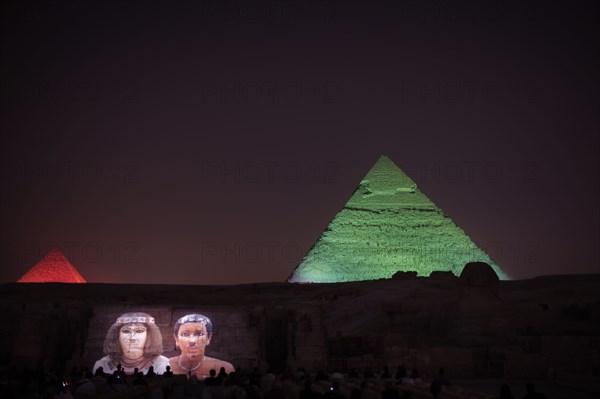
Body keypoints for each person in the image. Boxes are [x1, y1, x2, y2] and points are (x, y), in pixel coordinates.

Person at [93, 312, 169, 375]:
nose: (132, 338)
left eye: (139, 331)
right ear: (117, 336)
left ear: (149, 335)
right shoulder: (102, 365)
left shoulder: (162, 364)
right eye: (126, 331)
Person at [168, 313, 234, 379]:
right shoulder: (163, 365)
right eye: (185, 334)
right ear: (176, 339)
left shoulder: (225, 368)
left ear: (208, 338)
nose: (192, 341)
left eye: (199, 334)